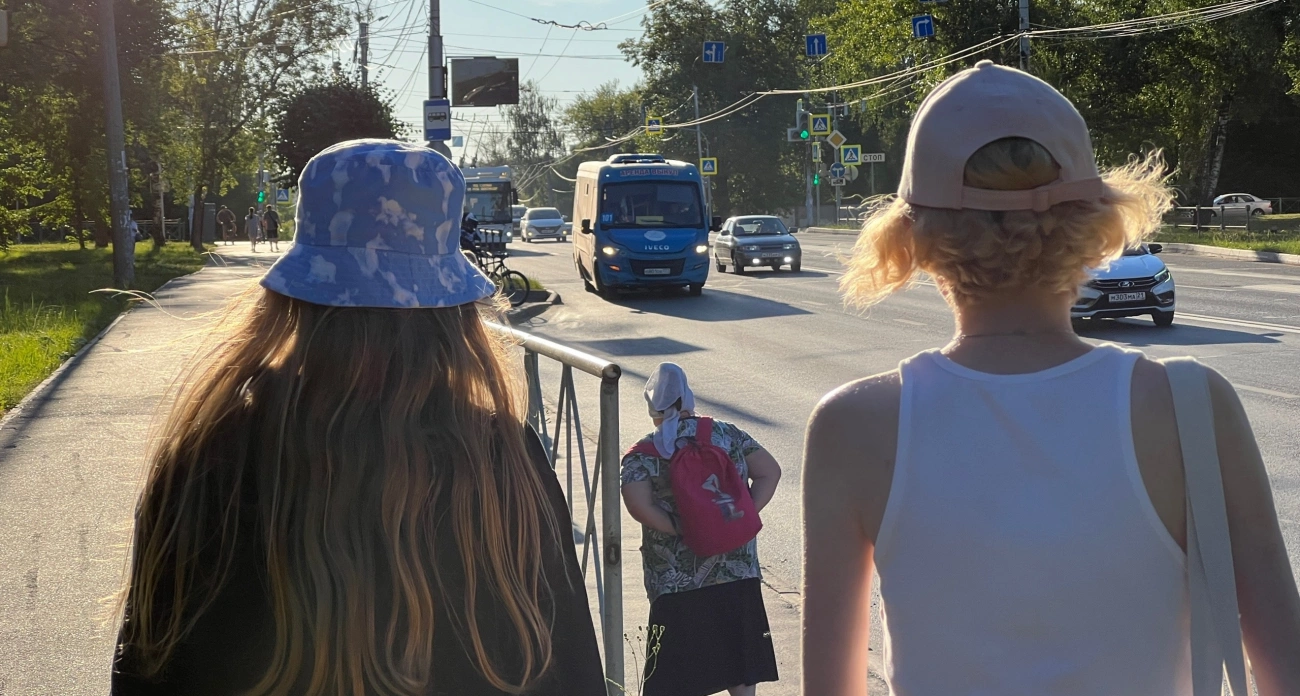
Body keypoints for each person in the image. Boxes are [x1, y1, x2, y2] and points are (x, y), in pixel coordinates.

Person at [801, 61, 1300, 696]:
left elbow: (830, 685)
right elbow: (1286, 664)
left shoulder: (854, 425)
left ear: (914, 238)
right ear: (1098, 225)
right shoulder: (1191, 407)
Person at [111, 139, 606, 696]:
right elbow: (573, 668)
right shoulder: (498, 458)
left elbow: (148, 669)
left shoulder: (210, 454)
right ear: (451, 314)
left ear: (297, 297)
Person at [620, 363, 782, 696]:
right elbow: (770, 472)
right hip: (737, 569)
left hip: (675, 580)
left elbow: (638, 505)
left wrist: (680, 528)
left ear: (653, 408)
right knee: (740, 656)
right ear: (688, 398)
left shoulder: (643, 453)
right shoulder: (727, 434)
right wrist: (736, 516)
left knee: (678, 670)